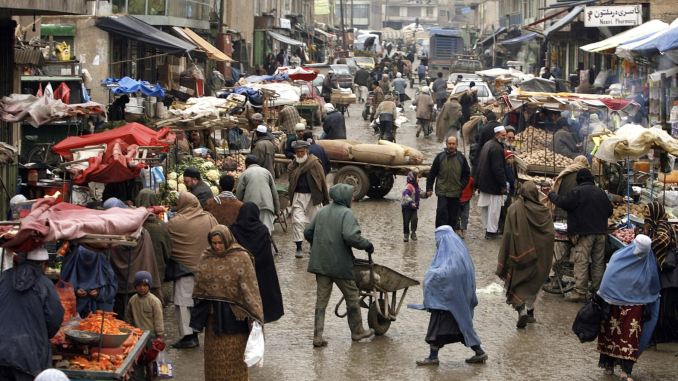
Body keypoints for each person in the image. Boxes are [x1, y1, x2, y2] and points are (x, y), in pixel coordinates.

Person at [190, 225, 264, 381]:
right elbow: (200, 284)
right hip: (212, 318)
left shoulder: (241, 257)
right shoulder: (206, 256)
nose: (217, 246)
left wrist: (255, 315)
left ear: (227, 240)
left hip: (235, 319)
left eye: (220, 242)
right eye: (214, 243)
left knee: (234, 361)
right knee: (213, 361)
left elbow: (250, 288)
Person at [305, 184, 375, 346]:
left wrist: (319, 246)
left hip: (321, 263)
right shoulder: (346, 213)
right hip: (340, 264)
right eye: (350, 195)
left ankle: (318, 336)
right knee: (352, 296)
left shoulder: (322, 211)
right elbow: (351, 237)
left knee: (321, 300)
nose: (352, 198)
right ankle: (357, 331)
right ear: (343, 197)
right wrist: (367, 245)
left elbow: (308, 232)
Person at [412, 226, 488, 366]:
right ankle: (479, 352)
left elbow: (446, 273)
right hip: (458, 301)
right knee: (463, 327)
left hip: (447, 302)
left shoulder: (451, 256)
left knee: (437, 330)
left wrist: (431, 276)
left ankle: (432, 357)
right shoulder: (460, 250)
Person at [593, 234, 660, 381]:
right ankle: (609, 366)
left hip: (635, 305)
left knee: (630, 337)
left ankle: (626, 371)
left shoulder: (646, 261)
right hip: (614, 303)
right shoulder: (618, 257)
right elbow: (607, 279)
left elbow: (653, 284)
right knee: (611, 334)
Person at [547, 169, 613, 302]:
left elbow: (563, 203)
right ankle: (596, 291)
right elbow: (610, 211)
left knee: (581, 261)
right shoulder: (600, 192)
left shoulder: (577, 192)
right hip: (600, 233)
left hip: (584, 234)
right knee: (598, 263)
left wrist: (552, 194)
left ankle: (580, 292)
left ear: (579, 180)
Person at [497, 181, 555, 328]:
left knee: (518, 283)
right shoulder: (543, 212)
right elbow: (549, 235)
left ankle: (521, 309)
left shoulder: (514, 209)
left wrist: (507, 252)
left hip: (519, 254)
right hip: (539, 257)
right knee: (534, 285)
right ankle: (530, 314)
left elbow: (508, 233)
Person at [0, 248, 64, 381]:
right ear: (42, 264)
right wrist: (44, 334)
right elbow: (55, 317)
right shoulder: (44, 283)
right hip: (29, 353)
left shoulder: (5, 277)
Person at [167, 191, 218, 349]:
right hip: (206, 269)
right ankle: (198, 331)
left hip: (184, 269)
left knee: (183, 302)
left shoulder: (175, 222)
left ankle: (189, 336)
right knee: (200, 302)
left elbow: (170, 245)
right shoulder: (209, 218)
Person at [230, 202, 284, 323]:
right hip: (261, 274)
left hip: (240, 274)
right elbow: (266, 254)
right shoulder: (262, 230)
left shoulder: (233, 229)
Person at [643, 201, 678, 345]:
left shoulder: (662, 226)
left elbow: (662, 241)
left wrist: (645, 245)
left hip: (671, 276)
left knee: (669, 311)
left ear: (654, 213)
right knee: (661, 310)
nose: (646, 217)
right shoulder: (654, 227)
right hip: (664, 276)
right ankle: (659, 338)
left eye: (647, 214)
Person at [288, 140, 330, 258]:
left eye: (302, 152)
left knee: (314, 222)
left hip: (313, 196)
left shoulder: (315, 163)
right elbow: (290, 179)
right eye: (298, 152)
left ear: (306, 151)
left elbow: (322, 182)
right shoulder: (293, 165)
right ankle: (299, 248)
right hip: (298, 196)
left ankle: (313, 245)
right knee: (297, 221)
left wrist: (325, 199)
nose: (300, 154)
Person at [125, 271, 164, 381]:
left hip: (151, 339)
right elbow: (128, 318)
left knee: (152, 366)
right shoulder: (133, 300)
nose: (142, 288)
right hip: (136, 338)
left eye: (145, 285)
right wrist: (128, 332)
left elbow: (158, 319)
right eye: (139, 285)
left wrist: (159, 337)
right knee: (137, 363)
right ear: (135, 286)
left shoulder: (154, 301)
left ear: (149, 286)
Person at [60, 245, 117, 318]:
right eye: (84, 261)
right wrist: (75, 292)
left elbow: (112, 289)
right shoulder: (71, 269)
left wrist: (99, 293)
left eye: (90, 261)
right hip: (77, 311)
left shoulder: (105, 269)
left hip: (100, 312)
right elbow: (63, 291)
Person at [426, 136, 471, 229]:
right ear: (446, 144)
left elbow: (467, 174)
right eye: (449, 143)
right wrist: (429, 188)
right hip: (442, 192)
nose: (451, 146)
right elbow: (432, 174)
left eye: (453, 144)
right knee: (441, 214)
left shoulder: (461, 158)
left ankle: (451, 235)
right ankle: (440, 234)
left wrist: (461, 185)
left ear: (457, 145)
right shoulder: (440, 157)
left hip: (455, 193)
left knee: (453, 216)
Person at [136, 189, 172, 294]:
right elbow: (168, 250)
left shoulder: (132, 224)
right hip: (157, 272)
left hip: (135, 273)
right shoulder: (161, 225)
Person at [476, 126, 508, 239]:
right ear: (496, 135)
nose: (505, 137)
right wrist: (503, 184)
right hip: (493, 184)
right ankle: (491, 232)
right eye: (503, 135)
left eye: (505, 135)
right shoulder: (497, 148)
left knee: (487, 208)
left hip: (485, 182)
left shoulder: (488, 144)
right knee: (494, 209)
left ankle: (488, 229)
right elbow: (497, 168)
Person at [236, 155, 280, 232]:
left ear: (246, 164)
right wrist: (277, 210)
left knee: (252, 230)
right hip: (267, 205)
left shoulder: (244, 173)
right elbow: (274, 192)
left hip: (251, 207)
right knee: (267, 230)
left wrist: (238, 209)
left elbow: (239, 193)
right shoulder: (266, 172)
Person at [402, 172, 424, 242]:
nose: (418, 179)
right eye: (417, 177)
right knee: (406, 221)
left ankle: (413, 232)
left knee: (414, 219)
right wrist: (411, 202)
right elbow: (406, 195)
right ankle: (406, 235)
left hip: (414, 207)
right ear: (413, 178)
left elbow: (421, 193)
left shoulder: (417, 187)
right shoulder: (409, 187)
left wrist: (426, 194)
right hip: (407, 207)